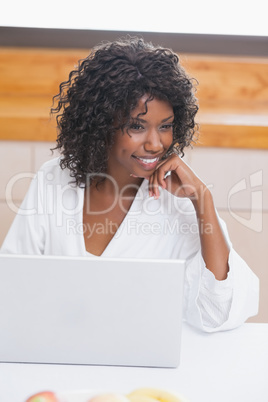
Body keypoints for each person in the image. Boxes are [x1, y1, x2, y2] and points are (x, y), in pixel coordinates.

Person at [1, 36, 259, 332]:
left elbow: (218, 312)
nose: (154, 143)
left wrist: (203, 200)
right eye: (136, 126)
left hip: (143, 370)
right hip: (58, 358)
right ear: (101, 124)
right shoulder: (53, 180)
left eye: (165, 126)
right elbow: (13, 288)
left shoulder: (178, 203)